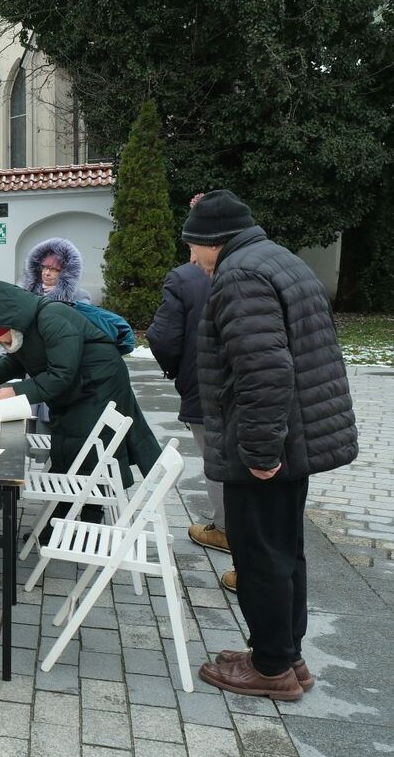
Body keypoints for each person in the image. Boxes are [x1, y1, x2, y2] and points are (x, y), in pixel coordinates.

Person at [185, 189, 357, 701]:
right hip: (294, 438)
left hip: (267, 446)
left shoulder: (240, 275)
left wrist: (260, 453)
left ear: (213, 241)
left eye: (193, 247)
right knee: (284, 552)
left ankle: (271, 669)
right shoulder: (276, 259)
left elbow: (264, 370)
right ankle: (283, 655)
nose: (192, 259)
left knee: (260, 555)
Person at [0, 281, 160, 505]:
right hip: (79, 385)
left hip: (99, 384)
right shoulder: (25, 325)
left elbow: (61, 374)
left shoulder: (52, 318)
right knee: (69, 442)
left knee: (87, 446)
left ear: (9, 323)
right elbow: (20, 357)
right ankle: (66, 506)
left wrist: (18, 391)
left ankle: (89, 514)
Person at [146, 212, 234, 591]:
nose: (193, 253)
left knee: (218, 460)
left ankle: (229, 531)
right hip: (245, 388)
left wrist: (177, 370)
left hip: (208, 384)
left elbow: (163, 337)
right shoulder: (264, 265)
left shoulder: (186, 276)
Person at [22, 237, 91, 303]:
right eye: (44, 267)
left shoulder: (79, 296)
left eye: (54, 270)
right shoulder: (28, 293)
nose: (46, 273)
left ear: (65, 273)